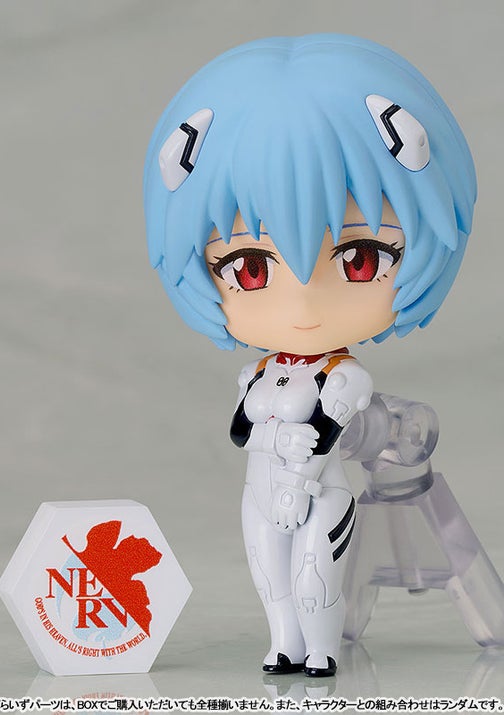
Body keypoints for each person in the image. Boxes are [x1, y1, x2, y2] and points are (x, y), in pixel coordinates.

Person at [143, 34, 476, 676]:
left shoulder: (342, 376)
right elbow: (240, 430)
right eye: (249, 268)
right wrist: (270, 437)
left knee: (313, 575)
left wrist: (296, 469)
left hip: (318, 493)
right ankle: (282, 644)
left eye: (361, 259)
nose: (302, 302)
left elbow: (325, 434)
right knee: (270, 576)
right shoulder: (258, 373)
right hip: (262, 490)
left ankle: (321, 651)